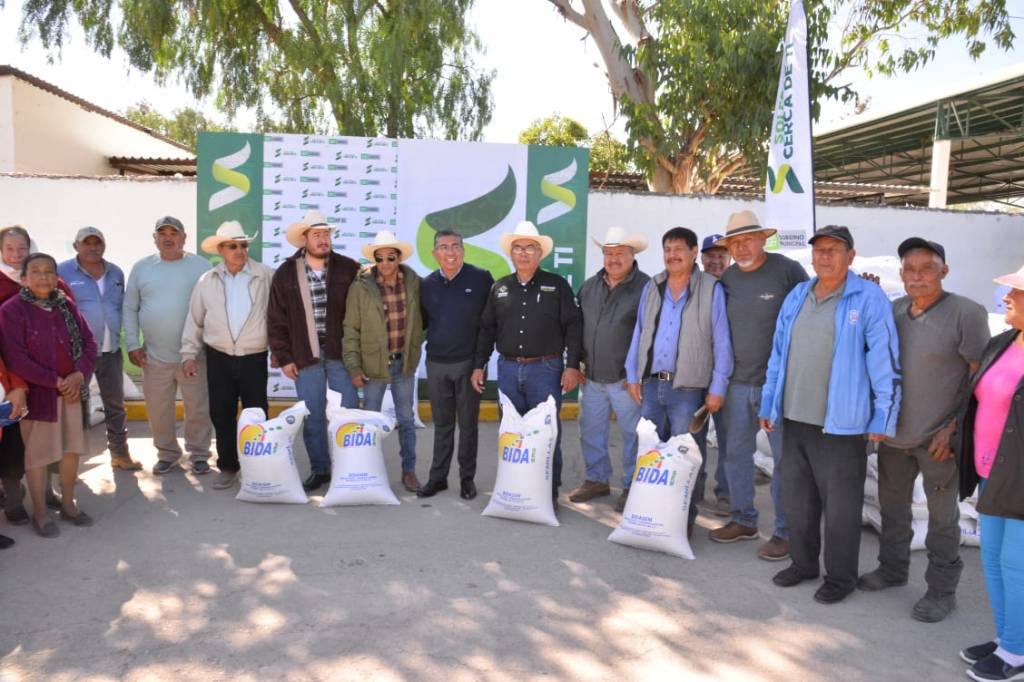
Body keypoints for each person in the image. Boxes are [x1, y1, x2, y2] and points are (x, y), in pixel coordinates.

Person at [760, 225, 900, 605]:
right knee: (799, 501)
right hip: (793, 417)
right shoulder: (798, 295)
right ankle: (803, 564)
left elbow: (884, 362)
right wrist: (769, 402)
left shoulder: (867, 298)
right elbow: (777, 354)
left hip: (842, 424)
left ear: (851, 256)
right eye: (819, 250)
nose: (825, 256)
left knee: (841, 508)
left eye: (834, 250)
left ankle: (840, 578)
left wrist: (882, 418)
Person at [857, 238, 989, 622]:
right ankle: (893, 570)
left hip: (938, 442)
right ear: (901, 275)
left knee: (942, 519)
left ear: (943, 271)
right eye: (909, 270)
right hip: (895, 437)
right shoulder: (895, 310)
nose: (917, 277)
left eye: (926, 269)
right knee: (893, 509)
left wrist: (953, 428)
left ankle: (941, 591)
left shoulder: (966, 313)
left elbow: (980, 376)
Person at [710, 212, 808, 561]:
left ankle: (784, 532)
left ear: (762, 239)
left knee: (785, 461)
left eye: (747, 239)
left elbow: (809, 315)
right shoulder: (730, 277)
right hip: (737, 384)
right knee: (735, 455)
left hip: (779, 385)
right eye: (734, 243)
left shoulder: (788, 270)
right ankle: (743, 519)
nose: (741, 247)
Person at [624, 226, 733, 537]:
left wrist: (718, 387)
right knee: (650, 451)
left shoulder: (711, 288)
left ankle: (683, 520)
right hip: (652, 384)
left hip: (688, 388)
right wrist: (633, 374)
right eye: (667, 250)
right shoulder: (654, 286)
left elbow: (721, 342)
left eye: (678, 249)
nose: (672, 255)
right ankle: (649, 512)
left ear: (694, 252)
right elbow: (640, 331)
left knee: (686, 455)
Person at [472, 221, 583, 506]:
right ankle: (515, 488)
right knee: (511, 434)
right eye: (518, 248)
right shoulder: (500, 288)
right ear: (511, 253)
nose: (523, 254)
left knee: (546, 434)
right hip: (508, 369)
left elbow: (573, 326)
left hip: (545, 370)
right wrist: (479, 364)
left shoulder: (556, 285)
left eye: (530, 248)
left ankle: (548, 494)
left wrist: (572, 366)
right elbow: (486, 329)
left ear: (539, 254)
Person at [954, 264, 1024, 682]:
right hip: (989, 472)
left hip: (1019, 477)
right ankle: (1009, 639)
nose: (1007, 298)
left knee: (1017, 564)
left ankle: (1016, 653)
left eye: (1016, 291)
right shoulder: (1003, 342)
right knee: (995, 562)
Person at [0, 253, 97, 538]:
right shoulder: (11, 310)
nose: (43, 277)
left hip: (71, 394)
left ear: (57, 277)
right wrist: (56, 381)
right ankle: (40, 513)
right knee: (38, 457)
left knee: (70, 452)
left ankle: (68, 504)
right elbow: (16, 358)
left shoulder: (65, 305)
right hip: (40, 397)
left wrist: (79, 374)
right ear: (24, 278)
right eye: (36, 272)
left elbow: (89, 343)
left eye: (49, 272)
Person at [268, 210, 360, 491]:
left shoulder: (349, 268)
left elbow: (362, 314)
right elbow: (276, 318)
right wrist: (284, 358)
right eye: (317, 235)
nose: (323, 240)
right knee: (313, 414)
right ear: (304, 239)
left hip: (340, 352)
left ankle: (352, 467)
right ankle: (321, 470)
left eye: (326, 235)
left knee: (348, 411)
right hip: (304, 354)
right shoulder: (286, 272)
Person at [181, 221, 273, 490]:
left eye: (243, 245)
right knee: (221, 413)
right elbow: (194, 320)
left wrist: (280, 350)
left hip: (254, 356)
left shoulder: (266, 275)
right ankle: (229, 466)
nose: (240, 251)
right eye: (233, 246)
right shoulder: (207, 281)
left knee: (257, 414)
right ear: (221, 249)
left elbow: (279, 318)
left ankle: (259, 467)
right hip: (218, 356)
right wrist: (188, 353)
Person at [569, 226, 650, 512]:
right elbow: (577, 328)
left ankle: (632, 486)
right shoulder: (590, 286)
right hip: (591, 377)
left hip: (626, 381)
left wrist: (639, 373)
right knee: (591, 432)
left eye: (620, 253)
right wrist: (576, 364)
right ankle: (596, 480)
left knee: (633, 436)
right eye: (609, 253)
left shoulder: (647, 288)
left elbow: (650, 334)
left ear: (633, 254)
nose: (614, 259)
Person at [124, 216, 213, 475]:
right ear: (155, 239)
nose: (167, 237)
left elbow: (212, 307)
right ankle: (167, 453)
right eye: (161, 233)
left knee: (197, 407)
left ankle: (199, 454)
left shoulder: (201, 266)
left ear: (184, 237)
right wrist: (132, 343)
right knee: (158, 409)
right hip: (154, 355)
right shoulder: (142, 268)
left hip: (194, 355)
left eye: (173, 233)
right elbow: (130, 308)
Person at [0, 225, 75, 519]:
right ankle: (14, 499)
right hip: (11, 380)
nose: (17, 255)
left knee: (49, 440)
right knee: (14, 444)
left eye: (22, 249)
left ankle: (45, 493)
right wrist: (15, 385)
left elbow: (74, 330)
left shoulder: (54, 284)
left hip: (49, 380)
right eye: (10, 249)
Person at [343, 231, 424, 493]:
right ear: (375, 260)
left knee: (406, 418)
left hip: (404, 362)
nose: (386, 263)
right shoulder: (360, 287)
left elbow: (428, 317)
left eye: (391, 257)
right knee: (370, 421)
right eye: (380, 258)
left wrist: (415, 342)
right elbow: (351, 328)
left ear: (399, 257)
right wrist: (354, 366)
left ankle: (409, 471)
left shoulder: (413, 283)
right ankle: (368, 470)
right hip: (372, 365)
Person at [417, 229, 493, 500]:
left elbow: (488, 325)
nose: (450, 252)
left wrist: (479, 363)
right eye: (444, 247)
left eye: (455, 246)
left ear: (463, 250)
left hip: (468, 365)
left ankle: (466, 479)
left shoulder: (482, 279)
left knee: (469, 425)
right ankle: (437, 478)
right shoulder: (426, 285)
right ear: (434, 253)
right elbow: (423, 323)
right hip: (436, 363)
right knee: (442, 424)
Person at [57, 227, 140, 471]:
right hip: (79, 354)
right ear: (76, 246)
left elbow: (120, 306)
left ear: (104, 245)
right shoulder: (62, 271)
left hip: (111, 350)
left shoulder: (116, 272)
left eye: (97, 243)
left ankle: (120, 454)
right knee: (76, 407)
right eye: (87, 243)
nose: (92, 247)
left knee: (115, 405)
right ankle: (74, 462)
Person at [699, 231, 732, 517]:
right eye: (711, 255)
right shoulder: (693, 284)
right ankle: (693, 489)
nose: (716, 260)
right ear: (702, 258)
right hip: (696, 373)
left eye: (722, 255)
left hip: (730, 376)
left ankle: (726, 493)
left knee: (728, 437)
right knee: (692, 435)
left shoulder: (738, 285)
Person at [0, 351, 28, 548]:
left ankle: (13, 503)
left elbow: (11, 355)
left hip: (6, 406)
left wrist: (18, 387)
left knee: (12, 456)